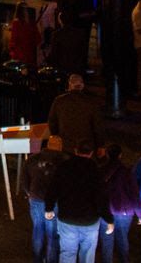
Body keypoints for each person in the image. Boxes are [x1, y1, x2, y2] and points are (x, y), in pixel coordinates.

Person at [47, 140, 109, 263]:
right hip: (89, 220)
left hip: (67, 217)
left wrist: (49, 207)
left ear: (75, 151)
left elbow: (53, 188)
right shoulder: (96, 170)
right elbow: (101, 197)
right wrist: (108, 218)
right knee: (87, 255)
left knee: (67, 253)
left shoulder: (64, 167)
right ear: (91, 153)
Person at [24, 135, 67, 263]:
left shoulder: (32, 159)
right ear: (60, 146)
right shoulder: (63, 161)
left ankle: (37, 259)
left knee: (38, 230)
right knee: (52, 233)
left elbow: (25, 181)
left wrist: (30, 193)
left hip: (35, 199)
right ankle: (51, 259)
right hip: (54, 202)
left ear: (48, 144)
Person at [99, 143, 140, 263]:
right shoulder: (126, 172)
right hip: (124, 211)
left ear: (107, 154)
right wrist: (140, 214)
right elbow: (134, 194)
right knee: (122, 239)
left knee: (106, 241)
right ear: (120, 155)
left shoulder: (101, 170)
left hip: (106, 210)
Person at [48, 73, 104, 156]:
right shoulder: (91, 103)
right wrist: (100, 145)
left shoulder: (59, 101)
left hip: (65, 145)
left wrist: (55, 135)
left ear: (70, 85)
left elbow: (52, 121)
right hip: (86, 147)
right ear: (82, 86)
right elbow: (97, 126)